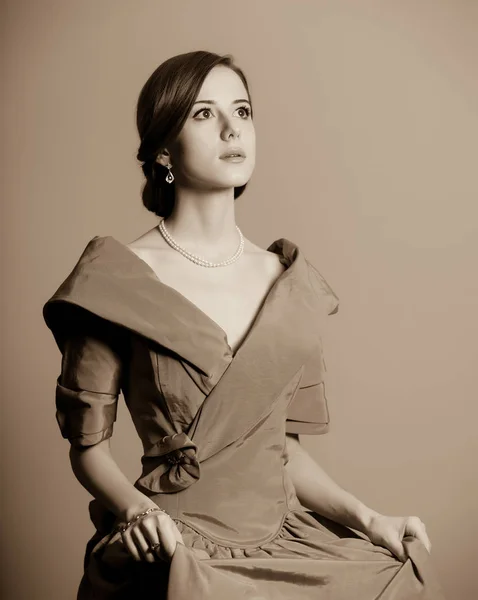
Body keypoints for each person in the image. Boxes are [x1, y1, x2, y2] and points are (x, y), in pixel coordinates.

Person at [43, 50, 447, 599]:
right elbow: (87, 448)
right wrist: (137, 514)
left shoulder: (287, 281)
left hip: (284, 541)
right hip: (175, 541)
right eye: (204, 114)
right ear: (163, 147)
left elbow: (280, 450)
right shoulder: (115, 280)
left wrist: (370, 518)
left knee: (404, 583)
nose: (233, 129)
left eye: (244, 111)